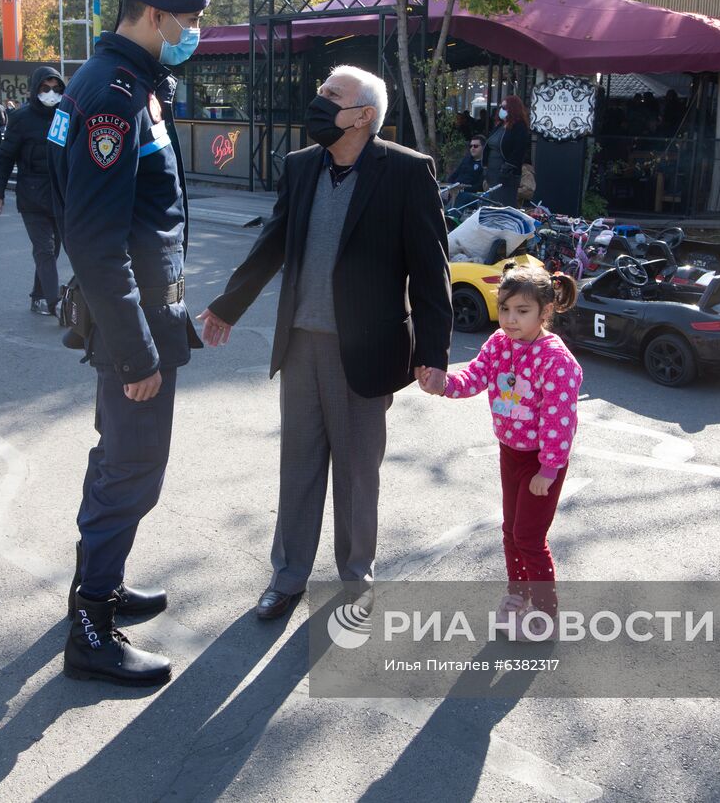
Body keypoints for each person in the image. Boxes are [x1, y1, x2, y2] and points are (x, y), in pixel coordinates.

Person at [199, 64, 453, 622]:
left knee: (359, 474)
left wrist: (433, 355)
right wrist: (227, 305)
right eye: (321, 90)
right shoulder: (301, 166)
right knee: (299, 466)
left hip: (365, 351)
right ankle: (287, 577)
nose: (318, 100)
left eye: (330, 95)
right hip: (301, 346)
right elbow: (273, 243)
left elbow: (431, 271)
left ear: (363, 115)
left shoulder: (407, 172)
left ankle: (355, 579)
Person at [51, 0, 211, 688]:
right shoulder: (115, 95)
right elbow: (93, 237)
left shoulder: (129, 81)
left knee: (116, 456)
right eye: (190, 20)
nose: (194, 33)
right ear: (154, 16)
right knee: (133, 469)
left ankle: (100, 583)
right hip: (135, 321)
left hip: (146, 310)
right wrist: (137, 351)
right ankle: (91, 624)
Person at [419, 263, 582, 638]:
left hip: (540, 462)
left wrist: (549, 469)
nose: (509, 319)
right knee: (510, 531)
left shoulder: (555, 361)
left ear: (545, 312)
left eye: (521, 311)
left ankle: (544, 614)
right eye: (505, 308)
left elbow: (561, 422)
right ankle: (518, 594)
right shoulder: (499, 343)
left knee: (529, 538)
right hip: (510, 451)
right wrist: (443, 384)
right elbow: (475, 376)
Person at [0, 66, 66, 314]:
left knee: (53, 249)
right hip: (32, 194)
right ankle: (55, 302)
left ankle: (38, 295)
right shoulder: (21, 118)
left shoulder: (66, 115)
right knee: (44, 248)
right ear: (35, 89)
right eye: (45, 88)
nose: (51, 93)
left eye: (56, 89)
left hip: (60, 194)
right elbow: (4, 157)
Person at [491, 94, 530, 207]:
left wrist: (507, 167)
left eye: (504, 108)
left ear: (512, 109)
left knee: (503, 204)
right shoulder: (500, 126)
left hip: (507, 175)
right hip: (493, 172)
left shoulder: (519, 127)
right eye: (500, 107)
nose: (501, 110)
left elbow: (519, 150)